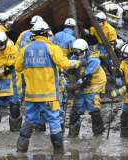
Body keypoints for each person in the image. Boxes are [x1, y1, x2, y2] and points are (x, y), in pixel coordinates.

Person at [15, 20, 82, 154]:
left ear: (33, 34)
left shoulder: (25, 49)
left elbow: (18, 67)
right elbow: (65, 64)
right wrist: (79, 62)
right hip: (49, 95)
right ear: (46, 34)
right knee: (54, 121)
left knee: (30, 119)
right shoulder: (52, 48)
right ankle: (58, 152)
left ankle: (21, 149)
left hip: (31, 96)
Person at [68, 39, 107, 137]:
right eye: (75, 52)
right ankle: (73, 134)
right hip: (82, 85)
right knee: (75, 111)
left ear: (85, 50)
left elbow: (86, 77)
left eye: (79, 52)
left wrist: (74, 86)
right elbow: (70, 67)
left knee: (94, 109)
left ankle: (98, 134)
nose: (77, 54)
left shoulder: (93, 60)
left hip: (94, 84)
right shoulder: (75, 57)